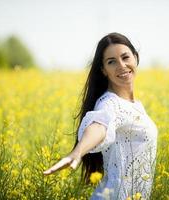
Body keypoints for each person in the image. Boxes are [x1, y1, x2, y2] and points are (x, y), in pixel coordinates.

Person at [43, 32, 158, 200]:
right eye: (112, 62)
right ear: (104, 70)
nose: (121, 65)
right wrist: (78, 151)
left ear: (135, 58)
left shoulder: (135, 105)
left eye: (125, 57)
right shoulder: (110, 103)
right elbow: (99, 125)